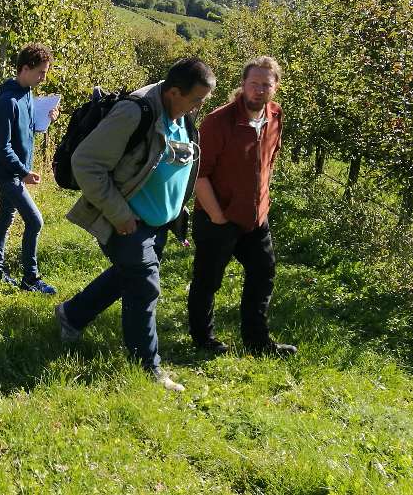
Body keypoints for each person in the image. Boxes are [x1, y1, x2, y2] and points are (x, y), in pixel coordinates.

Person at [54, 58, 216, 392]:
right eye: (197, 100)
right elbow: (85, 164)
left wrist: (174, 210)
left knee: (125, 276)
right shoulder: (135, 113)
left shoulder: (181, 112)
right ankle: (148, 368)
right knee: (144, 286)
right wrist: (120, 214)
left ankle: (71, 315)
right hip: (128, 221)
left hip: (157, 222)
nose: (200, 107)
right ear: (174, 92)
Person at [187, 56, 296, 357]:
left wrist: (261, 201)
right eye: (254, 84)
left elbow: (268, 162)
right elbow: (199, 174)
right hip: (217, 216)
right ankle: (203, 338)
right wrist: (217, 215)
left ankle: (257, 341)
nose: (259, 90)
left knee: (263, 272)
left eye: (266, 84)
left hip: (255, 216)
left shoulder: (275, 116)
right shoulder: (218, 122)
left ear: (275, 87)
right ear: (243, 85)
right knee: (208, 279)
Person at [0, 43, 60, 294]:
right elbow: (0, 146)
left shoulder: (26, 93)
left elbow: (28, 130)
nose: (43, 77)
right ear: (25, 69)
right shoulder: (8, 100)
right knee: (35, 221)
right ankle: (30, 277)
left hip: (15, 171)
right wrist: (23, 172)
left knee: (5, 218)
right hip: (7, 173)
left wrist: (45, 120)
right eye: (40, 72)